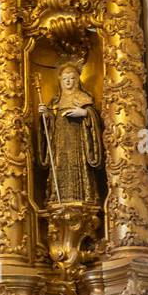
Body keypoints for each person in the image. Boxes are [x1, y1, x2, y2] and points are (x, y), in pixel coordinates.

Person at [37, 61, 103, 204]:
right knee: (59, 166)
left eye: (72, 78)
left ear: (77, 79)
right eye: (65, 78)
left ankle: (84, 197)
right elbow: (50, 124)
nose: (68, 81)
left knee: (79, 167)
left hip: (78, 142)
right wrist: (45, 115)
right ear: (60, 80)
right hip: (59, 143)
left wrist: (85, 112)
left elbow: (95, 118)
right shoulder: (56, 100)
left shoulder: (84, 97)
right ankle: (58, 199)